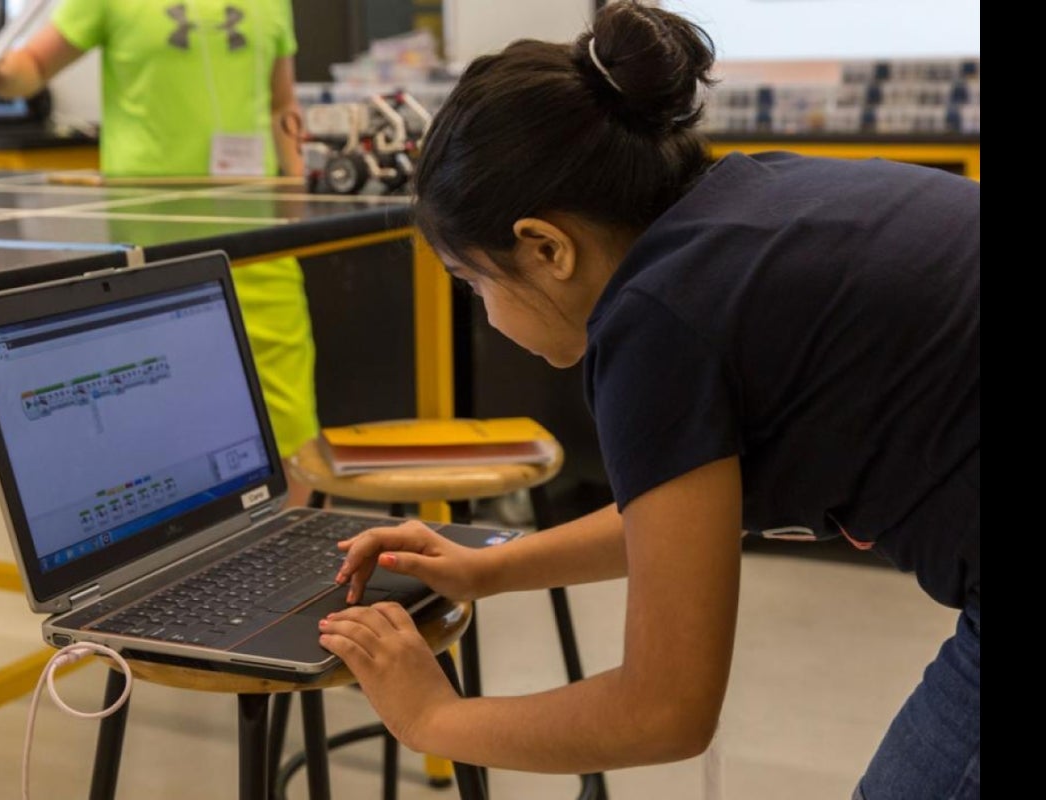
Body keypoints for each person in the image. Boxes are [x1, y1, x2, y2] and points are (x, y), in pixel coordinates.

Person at [318, 3, 979, 798]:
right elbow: (676, 522)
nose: (485, 315)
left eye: (473, 284)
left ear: (546, 248)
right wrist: (487, 570)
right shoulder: (743, 206)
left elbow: (664, 711)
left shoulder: (657, 323)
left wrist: (429, 716)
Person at [0, 0, 320, 505]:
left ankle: (284, 557)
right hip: (151, 248)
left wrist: (301, 191)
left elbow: (282, 103)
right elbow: (32, 68)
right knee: (165, 430)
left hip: (258, 238)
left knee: (289, 421)